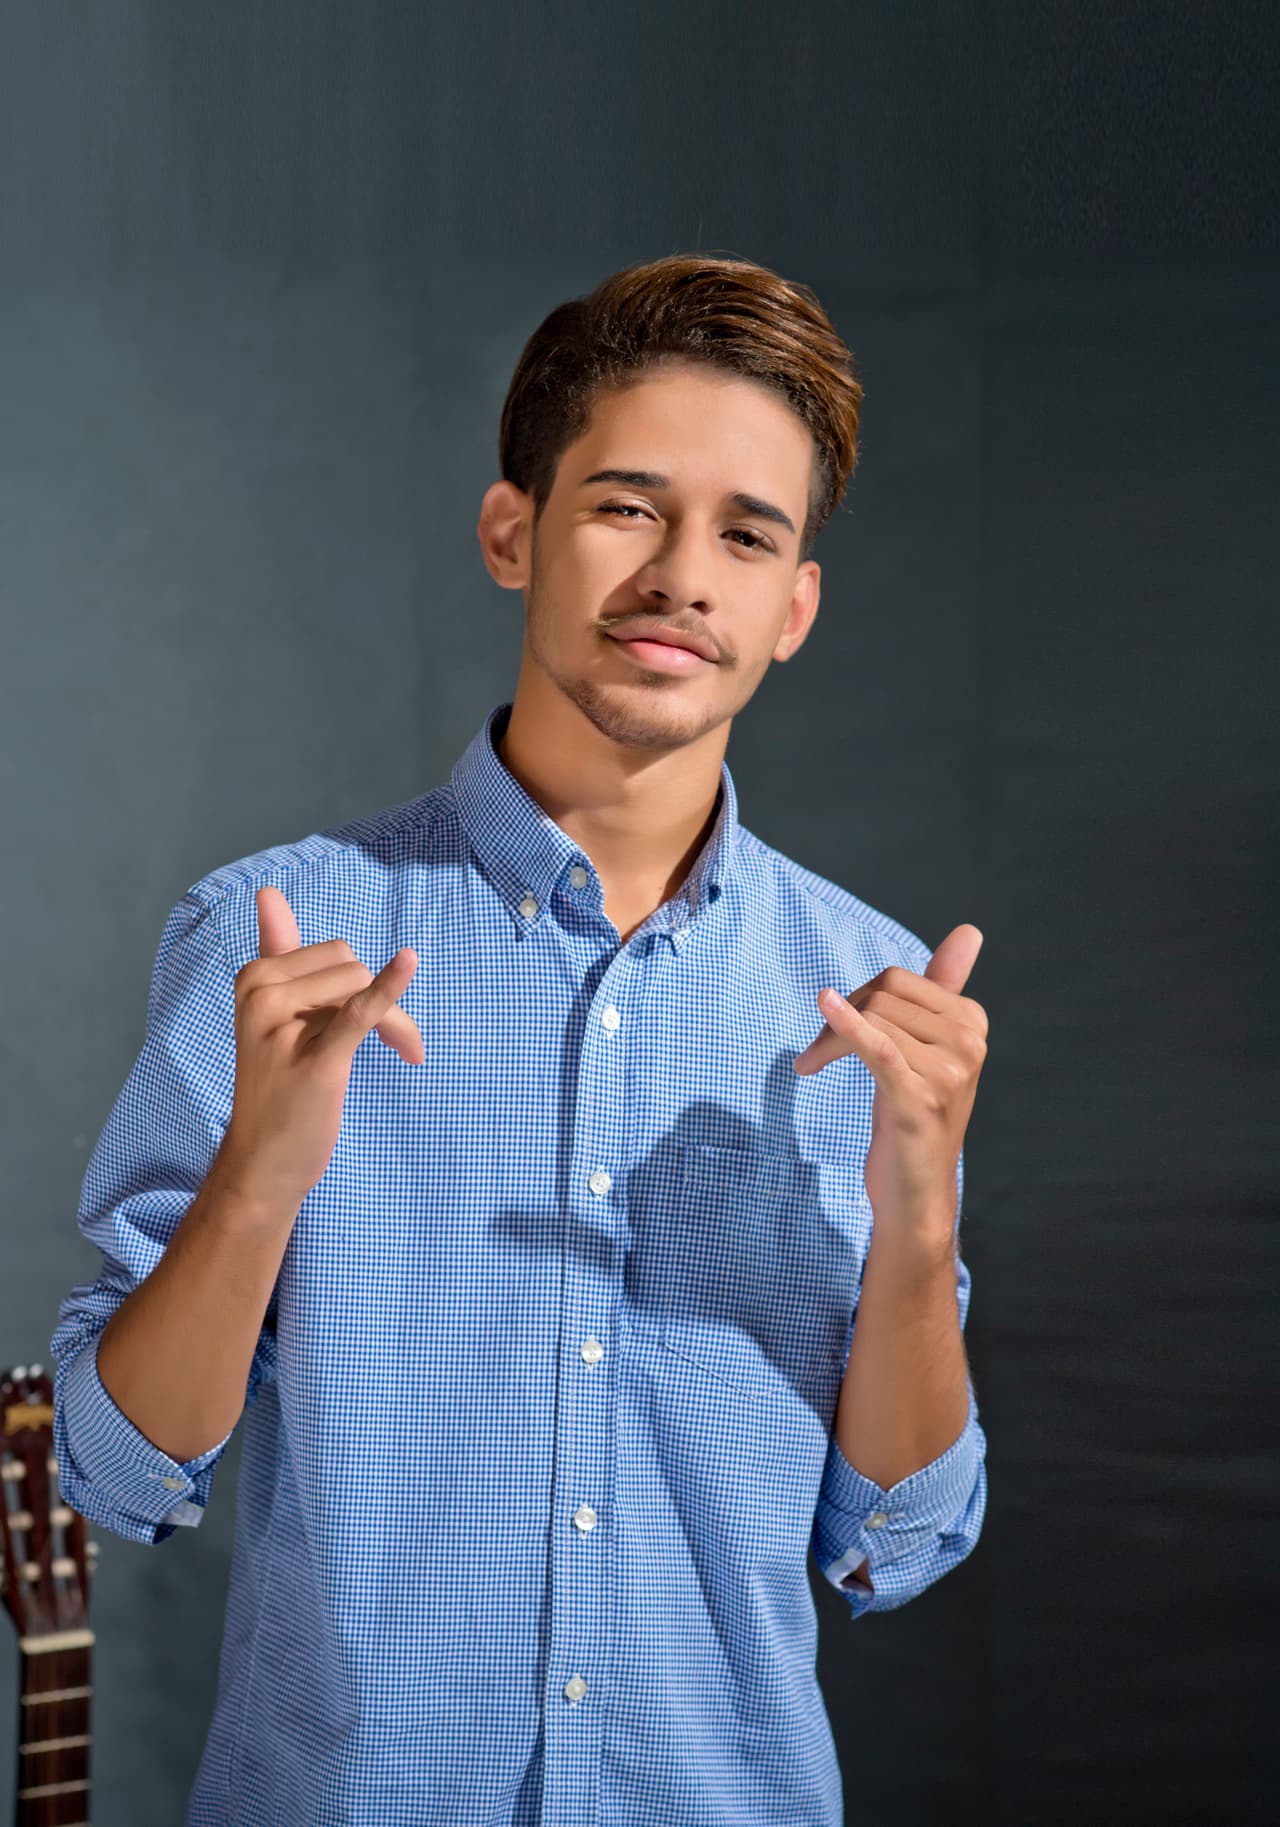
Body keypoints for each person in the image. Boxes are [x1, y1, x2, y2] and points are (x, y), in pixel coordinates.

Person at [50, 251, 988, 1826]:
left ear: (794, 609)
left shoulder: (875, 997)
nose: (683, 574)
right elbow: (113, 1473)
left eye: (746, 535)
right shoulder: (276, 938)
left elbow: (897, 1539)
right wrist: (261, 1179)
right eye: (627, 505)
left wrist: (920, 1222)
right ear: (513, 533)